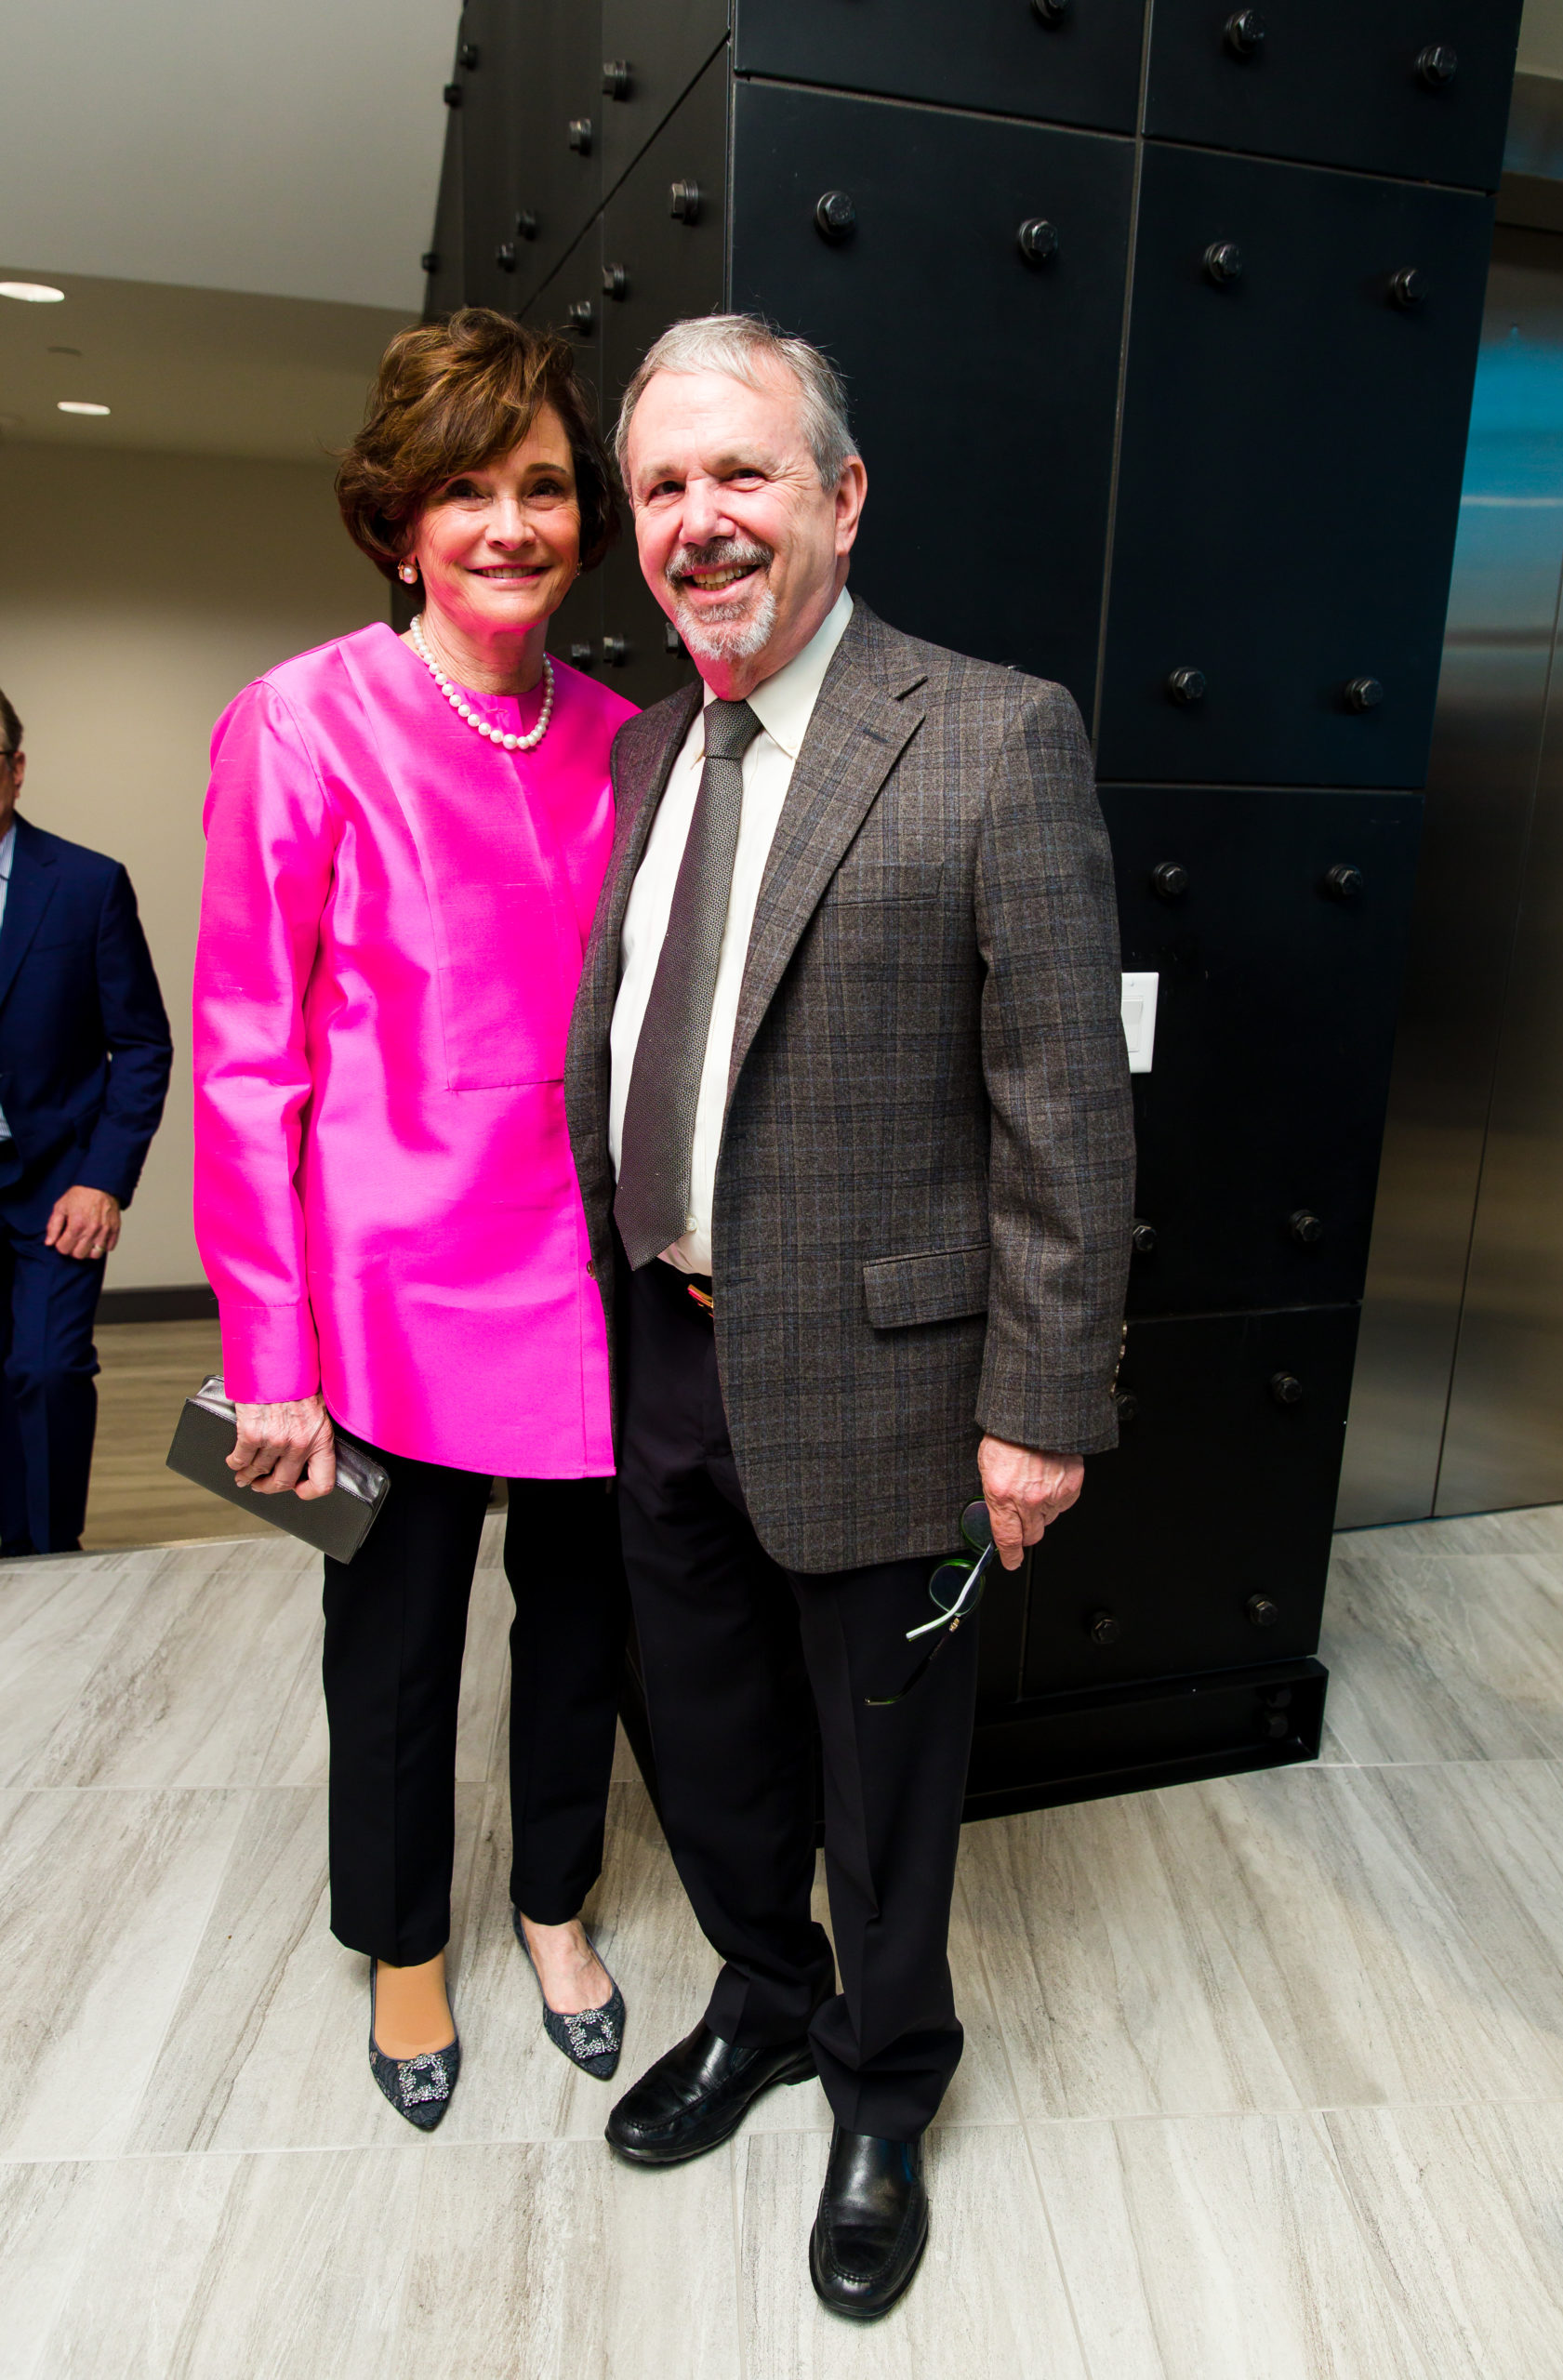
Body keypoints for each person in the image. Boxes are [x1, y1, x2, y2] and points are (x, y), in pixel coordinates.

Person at [564, 316, 1134, 2317]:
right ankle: (762, 1991)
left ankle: (884, 2080)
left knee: (885, 1776)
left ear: (841, 493)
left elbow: (1063, 1102)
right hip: (668, 1347)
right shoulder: (649, 747)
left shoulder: (991, 734)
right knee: (704, 1731)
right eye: (661, 486)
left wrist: (1040, 1407)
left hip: (891, 1381)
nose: (699, 520)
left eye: (740, 472)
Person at [192, 310, 637, 2131]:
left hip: (592, 1279)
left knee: (582, 1628)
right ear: (396, 518)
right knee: (390, 1649)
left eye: (540, 486)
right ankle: (401, 1945)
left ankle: (551, 1901)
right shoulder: (299, 721)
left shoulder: (625, 738)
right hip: (382, 1299)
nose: (508, 525)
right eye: (464, 490)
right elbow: (247, 1060)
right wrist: (266, 1356)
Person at [0, 690, 172, 1556]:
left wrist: (102, 1179)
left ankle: (48, 1563)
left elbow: (141, 1045)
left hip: (56, 1184)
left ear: (16, 770)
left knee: (48, 1369)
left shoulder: (86, 884)